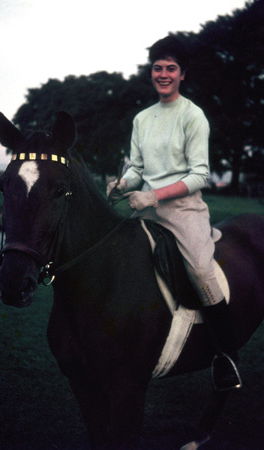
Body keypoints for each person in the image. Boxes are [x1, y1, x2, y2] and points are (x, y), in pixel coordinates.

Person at [107, 35, 241, 391]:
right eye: (157, 68)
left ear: (183, 74)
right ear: (151, 72)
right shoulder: (142, 119)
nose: (163, 74)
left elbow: (200, 175)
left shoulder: (193, 115)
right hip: (144, 209)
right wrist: (121, 184)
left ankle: (227, 355)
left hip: (184, 211)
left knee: (200, 269)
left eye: (171, 68)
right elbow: (137, 168)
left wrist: (153, 197)